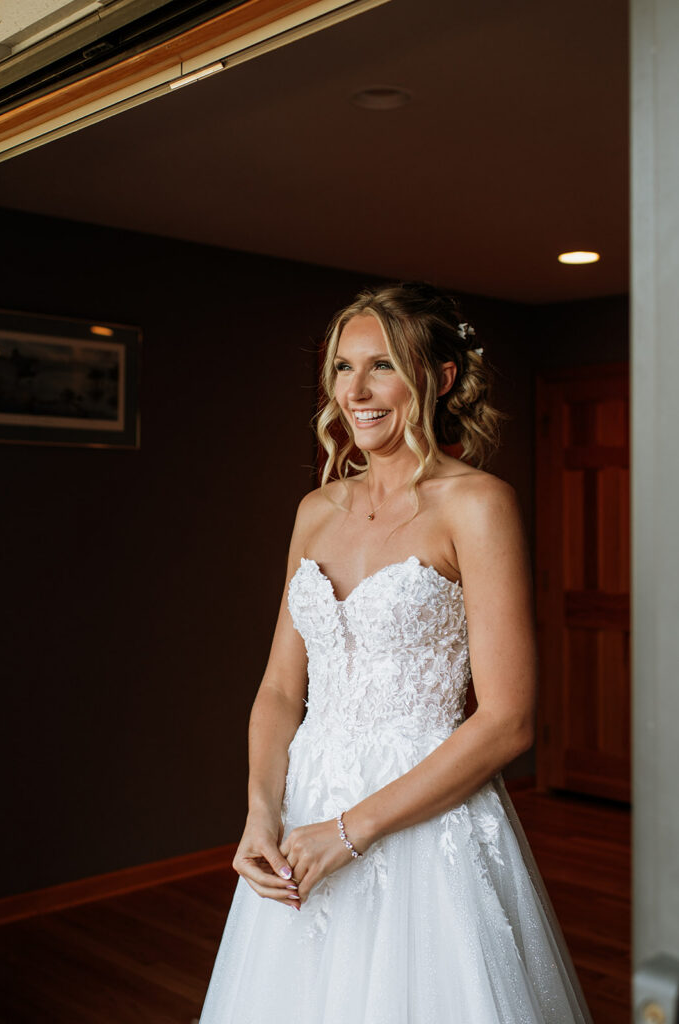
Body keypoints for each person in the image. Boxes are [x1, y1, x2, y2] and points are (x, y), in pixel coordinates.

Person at [197, 281, 593, 1023]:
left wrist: (351, 831)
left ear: (439, 378)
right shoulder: (315, 510)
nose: (357, 390)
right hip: (305, 806)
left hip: (422, 820)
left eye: (382, 366)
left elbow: (509, 721)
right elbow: (283, 690)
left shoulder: (478, 505)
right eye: (343, 368)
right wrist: (259, 814)